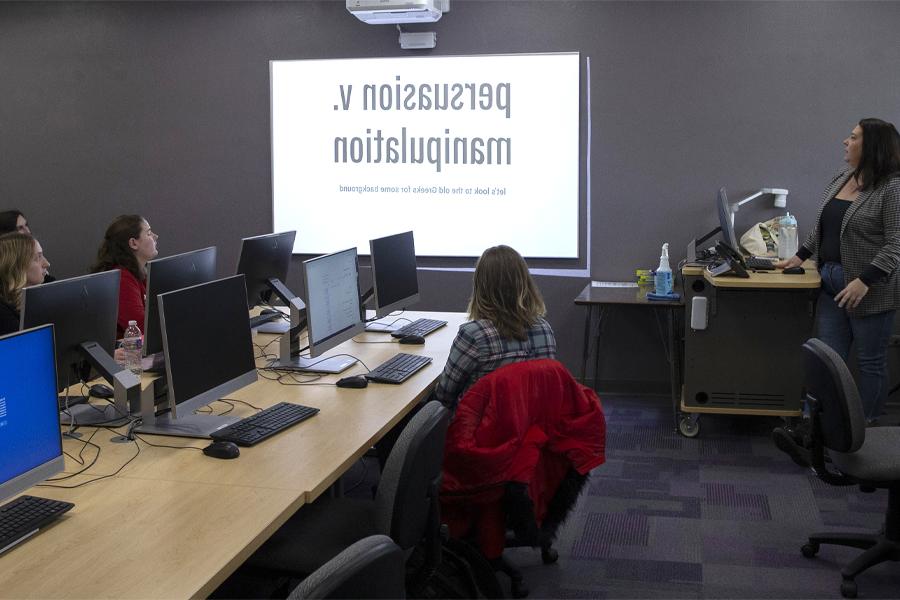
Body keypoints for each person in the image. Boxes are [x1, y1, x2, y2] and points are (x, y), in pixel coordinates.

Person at [777, 118, 900, 427]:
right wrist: (799, 257)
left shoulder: (892, 188)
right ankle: (824, 429)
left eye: (853, 137)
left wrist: (865, 281)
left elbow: (897, 241)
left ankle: (868, 431)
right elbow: (823, 227)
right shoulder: (842, 178)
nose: (846, 142)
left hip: (869, 289)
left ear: (872, 145)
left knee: (870, 363)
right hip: (831, 282)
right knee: (828, 360)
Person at [433, 244, 557, 409]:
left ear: (480, 286)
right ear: (525, 284)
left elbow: (444, 395)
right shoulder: (544, 329)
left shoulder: (474, 336)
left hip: (480, 432)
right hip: (531, 427)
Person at [91, 215, 159, 339]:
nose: (155, 236)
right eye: (149, 233)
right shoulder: (122, 279)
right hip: (127, 353)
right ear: (133, 243)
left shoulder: (139, 272)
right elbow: (142, 326)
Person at [0, 232, 51, 335]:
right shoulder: (3, 315)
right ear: (17, 266)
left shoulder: (38, 297)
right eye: (38, 257)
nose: (47, 263)